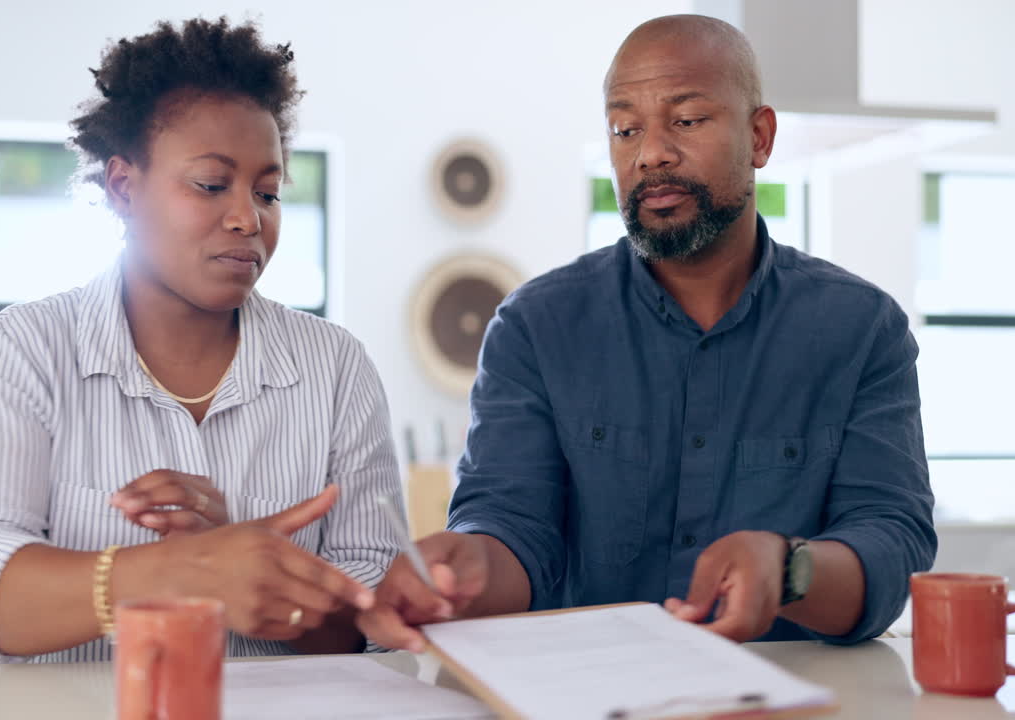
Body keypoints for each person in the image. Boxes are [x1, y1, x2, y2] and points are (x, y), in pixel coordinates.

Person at [357, 14, 935, 651]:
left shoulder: (860, 329)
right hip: (581, 695)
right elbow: (513, 528)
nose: (650, 152)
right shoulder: (536, 326)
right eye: (624, 128)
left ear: (760, 137)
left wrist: (789, 567)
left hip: (790, 695)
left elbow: (890, 539)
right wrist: (466, 569)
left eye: (685, 120)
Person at [0, 17, 400, 662]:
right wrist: (187, 567)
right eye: (210, 184)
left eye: (268, 192)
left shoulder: (335, 368)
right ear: (124, 187)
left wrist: (254, 566)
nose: (247, 218)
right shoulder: (22, 352)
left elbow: (371, 627)